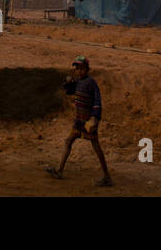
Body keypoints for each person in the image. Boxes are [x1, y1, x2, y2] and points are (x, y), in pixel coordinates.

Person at [46, 56, 112, 186]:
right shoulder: (78, 82)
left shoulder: (91, 83)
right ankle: (59, 170)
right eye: (77, 69)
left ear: (87, 69)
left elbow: (97, 102)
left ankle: (107, 177)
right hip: (79, 122)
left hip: (88, 122)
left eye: (81, 69)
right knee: (68, 141)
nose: (79, 71)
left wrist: (95, 118)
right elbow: (69, 91)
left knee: (96, 147)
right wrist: (67, 83)